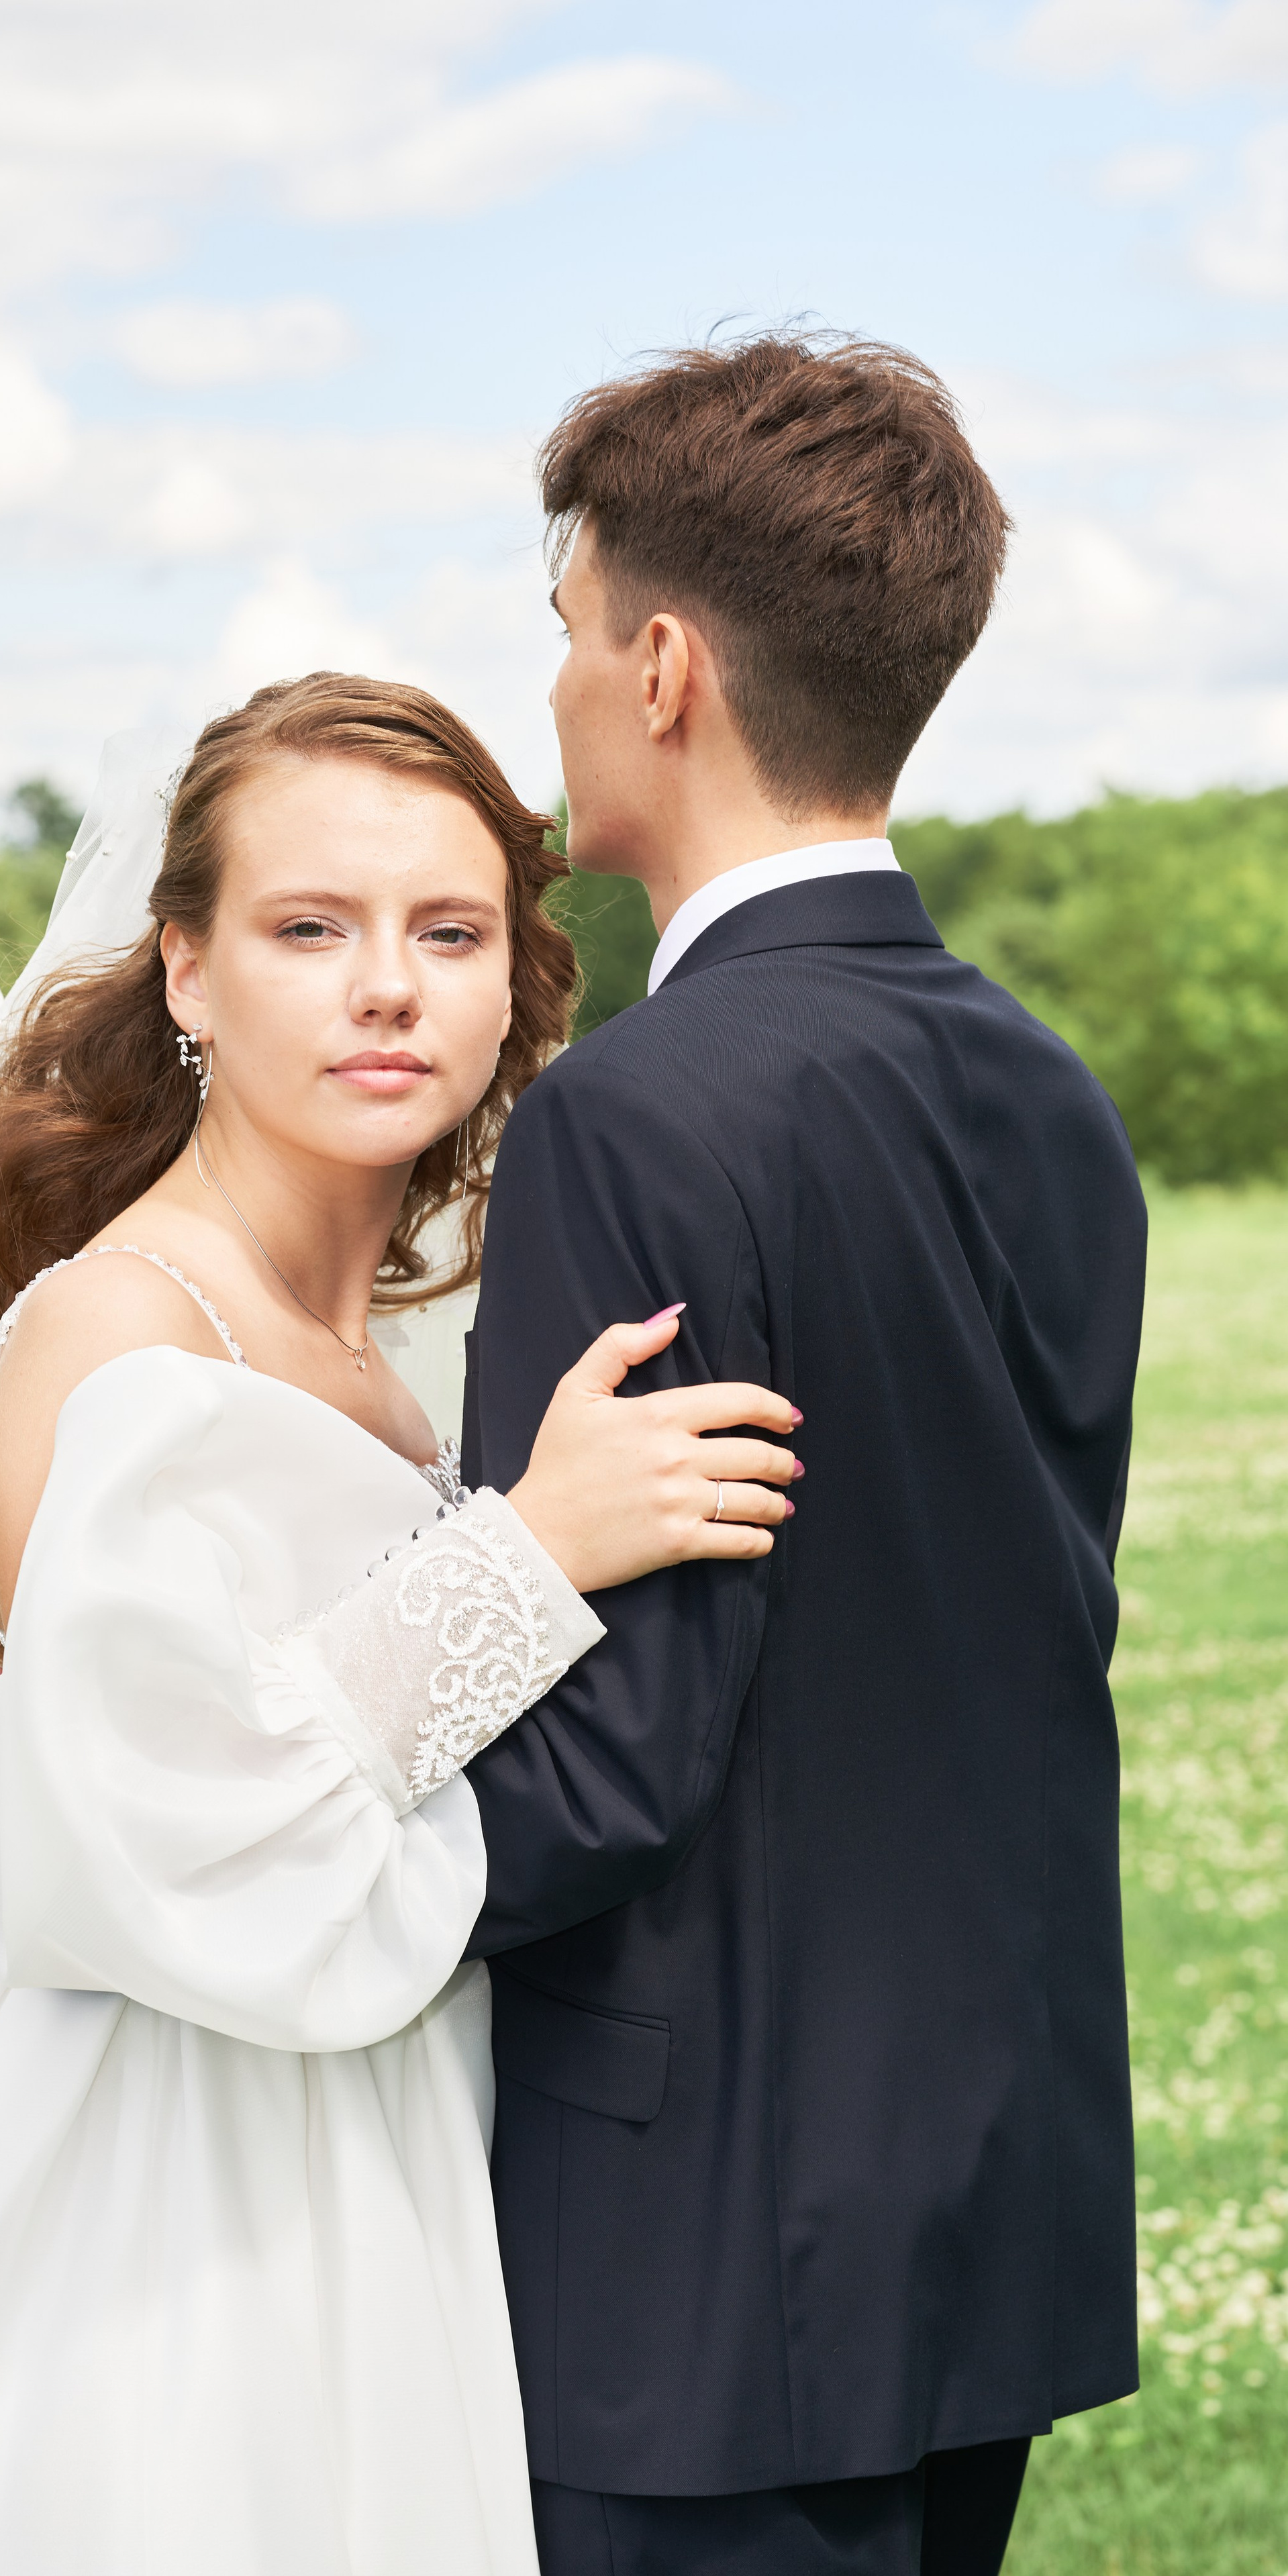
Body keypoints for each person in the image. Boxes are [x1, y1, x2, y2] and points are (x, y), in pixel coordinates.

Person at [0, 675, 801, 2573]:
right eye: (309, 929)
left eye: (448, 932)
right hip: (159, 2209)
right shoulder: (125, 1326)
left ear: (513, 986)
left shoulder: (386, 1347)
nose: (386, 988)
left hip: (370, 2142)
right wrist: (530, 1557)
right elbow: (135, 1833)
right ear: (188, 973)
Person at [448, 334, 1148, 2576]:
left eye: (568, 631)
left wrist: (291, 1799)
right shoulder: (1051, 1094)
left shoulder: (629, 1119)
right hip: (993, 2199)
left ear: (662, 669)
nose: (554, 687)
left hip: (694, 2261)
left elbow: (600, 1781)